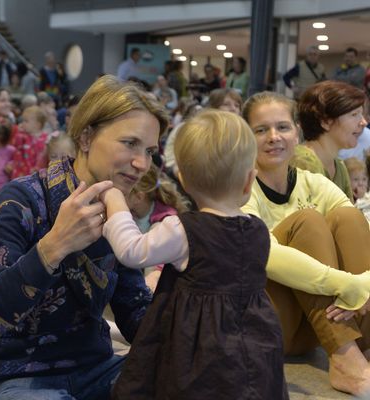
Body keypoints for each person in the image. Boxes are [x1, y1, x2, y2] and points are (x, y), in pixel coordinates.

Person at [0, 75, 169, 399]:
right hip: (14, 376)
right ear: (87, 137)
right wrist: (53, 246)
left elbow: (135, 314)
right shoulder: (20, 200)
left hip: (96, 368)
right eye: (130, 143)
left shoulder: (117, 213)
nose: (141, 163)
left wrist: (195, 305)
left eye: (149, 151)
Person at [102, 109, 288, 399]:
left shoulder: (182, 229)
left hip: (196, 346)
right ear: (250, 180)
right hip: (254, 339)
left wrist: (115, 201)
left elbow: (131, 251)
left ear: (184, 180)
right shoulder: (259, 230)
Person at [241, 90, 370, 396]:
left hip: (315, 328)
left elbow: (358, 235)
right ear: (246, 139)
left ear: (296, 133)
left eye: (283, 127)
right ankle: (344, 359)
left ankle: (365, 347)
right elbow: (266, 254)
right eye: (261, 130)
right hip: (267, 326)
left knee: (349, 218)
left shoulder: (314, 182)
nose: (274, 137)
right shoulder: (240, 189)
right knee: (308, 220)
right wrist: (348, 283)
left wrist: (364, 283)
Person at [291, 80, 367, 200]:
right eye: (354, 114)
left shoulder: (339, 166)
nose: (363, 122)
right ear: (325, 121)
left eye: (362, 114)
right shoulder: (303, 163)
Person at [126, 164, 189, 292]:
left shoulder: (163, 224)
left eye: (122, 191)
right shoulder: (133, 212)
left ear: (138, 197)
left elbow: (155, 274)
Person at [8, 105, 49, 179]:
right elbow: (15, 144)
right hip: (19, 172)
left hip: (35, 175)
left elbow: (43, 158)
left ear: (37, 125)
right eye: (22, 120)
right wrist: (18, 131)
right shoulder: (22, 135)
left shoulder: (45, 139)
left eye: (26, 121)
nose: (23, 123)